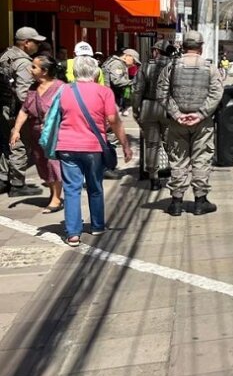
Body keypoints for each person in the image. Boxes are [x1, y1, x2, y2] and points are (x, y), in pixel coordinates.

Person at [54, 55, 133, 246]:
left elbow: (54, 118)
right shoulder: (104, 92)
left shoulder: (63, 90)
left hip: (66, 145)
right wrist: (125, 144)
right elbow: (113, 120)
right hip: (93, 147)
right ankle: (97, 225)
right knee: (95, 187)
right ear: (96, 73)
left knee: (71, 190)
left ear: (73, 73)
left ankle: (73, 233)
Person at [157, 31, 224, 216]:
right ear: (201, 47)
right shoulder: (210, 67)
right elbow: (216, 93)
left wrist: (177, 114)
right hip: (202, 123)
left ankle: (176, 203)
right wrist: (201, 114)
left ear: (183, 46)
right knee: (201, 159)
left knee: (178, 160)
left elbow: (161, 92)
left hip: (178, 123)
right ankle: (200, 202)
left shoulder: (172, 66)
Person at [9, 54, 65, 212]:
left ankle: (56, 199)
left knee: (53, 164)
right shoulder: (33, 88)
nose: (30, 69)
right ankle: (53, 193)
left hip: (55, 134)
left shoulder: (60, 87)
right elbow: (25, 110)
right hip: (36, 134)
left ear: (45, 71)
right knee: (42, 164)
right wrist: (16, 130)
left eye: (34, 67)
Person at [0, 27, 46, 197]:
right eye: (36, 42)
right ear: (26, 43)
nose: (38, 45)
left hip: (4, 107)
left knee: (6, 144)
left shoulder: (6, 55)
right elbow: (23, 94)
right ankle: (17, 185)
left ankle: (4, 179)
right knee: (19, 145)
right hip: (15, 110)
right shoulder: (24, 63)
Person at [133, 40, 172, 190]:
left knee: (152, 145)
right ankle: (175, 175)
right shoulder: (173, 66)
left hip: (148, 107)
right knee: (172, 144)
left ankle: (154, 179)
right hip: (168, 108)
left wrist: (136, 109)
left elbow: (138, 90)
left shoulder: (145, 67)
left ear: (156, 51)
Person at [103, 48, 139, 113]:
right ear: (127, 56)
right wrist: (133, 82)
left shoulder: (119, 63)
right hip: (111, 97)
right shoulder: (117, 64)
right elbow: (117, 81)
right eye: (133, 61)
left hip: (111, 97)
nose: (134, 64)